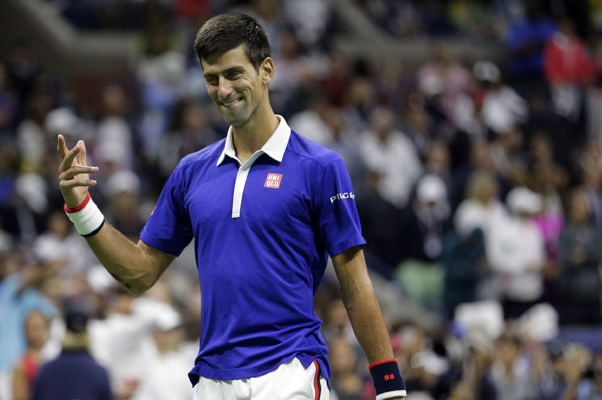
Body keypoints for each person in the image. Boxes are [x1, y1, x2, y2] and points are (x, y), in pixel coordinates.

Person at [57, 12, 406, 400]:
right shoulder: (191, 172)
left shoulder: (321, 167)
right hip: (211, 382)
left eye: (234, 74)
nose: (222, 90)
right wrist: (82, 207)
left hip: (289, 373)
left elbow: (355, 283)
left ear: (267, 70)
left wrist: (389, 385)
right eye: (211, 79)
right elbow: (138, 274)